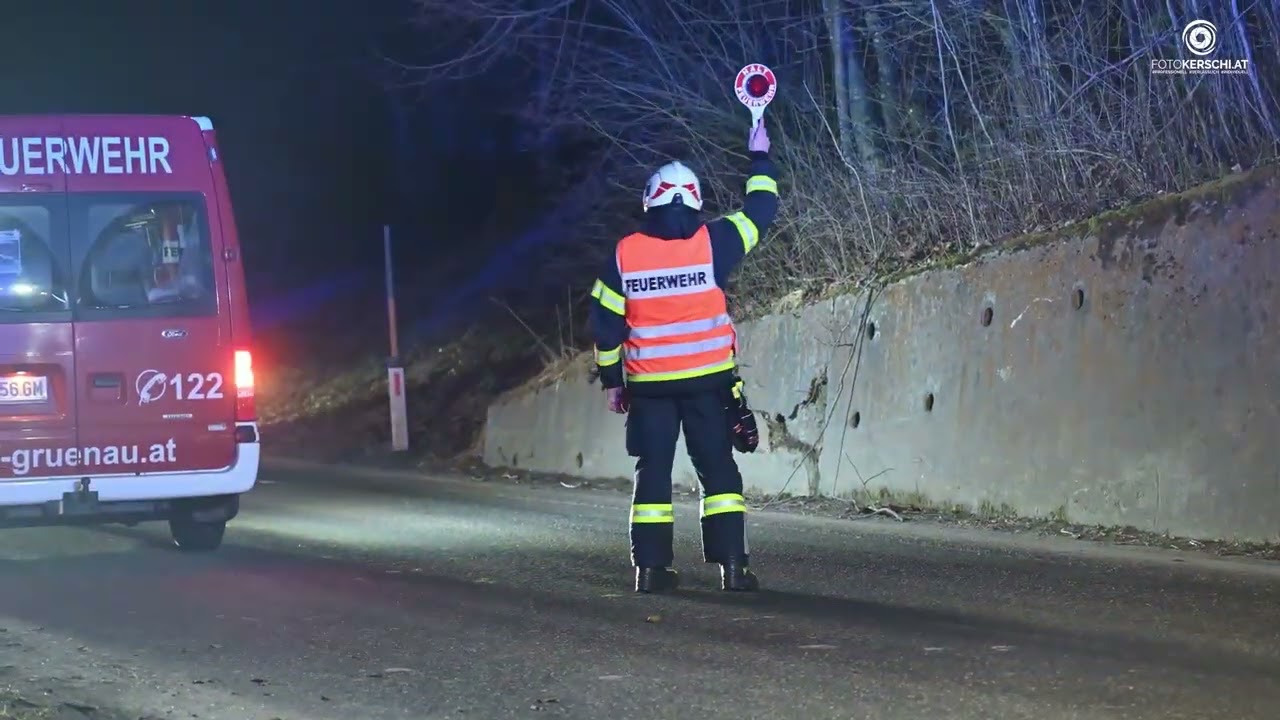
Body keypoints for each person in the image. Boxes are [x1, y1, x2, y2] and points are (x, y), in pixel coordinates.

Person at [588, 120, 779, 593]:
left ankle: (651, 571)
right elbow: (762, 208)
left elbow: (605, 321)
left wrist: (612, 379)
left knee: (652, 473)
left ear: (650, 201)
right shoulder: (716, 240)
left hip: (650, 387)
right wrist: (759, 156)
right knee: (718, 470)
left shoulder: (625, 253)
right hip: (709, 383)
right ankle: (733, 568)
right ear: (695, 199)